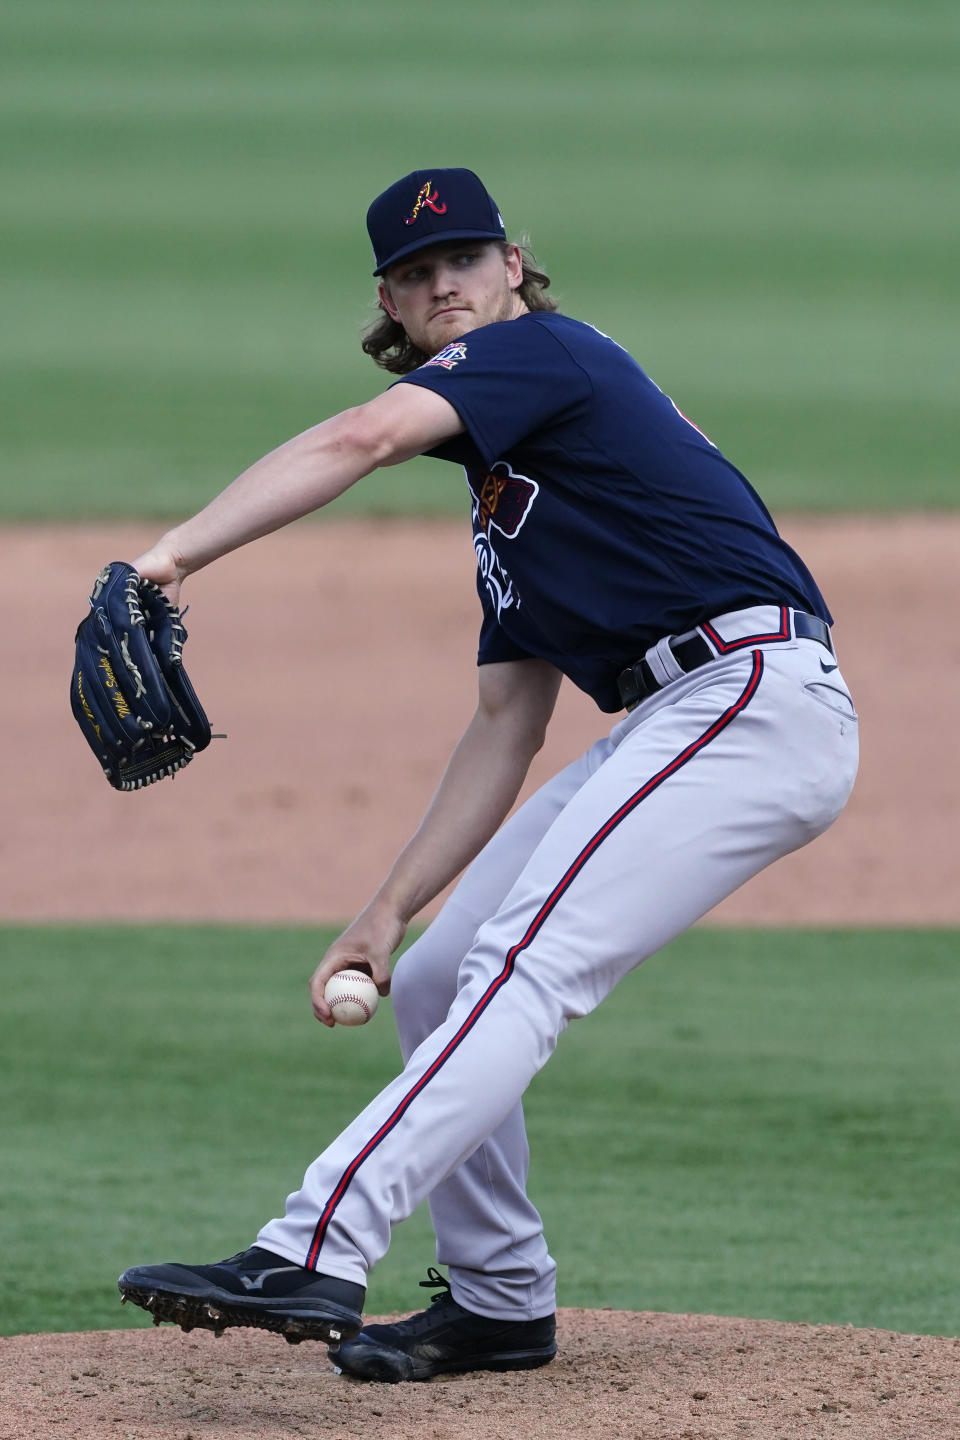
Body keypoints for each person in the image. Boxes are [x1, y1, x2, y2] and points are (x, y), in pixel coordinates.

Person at [118, 167, 859, 1382]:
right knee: (444, 974)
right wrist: (387, 909)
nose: (441, 283)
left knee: (526, 963)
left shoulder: (543, 359)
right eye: (414, 275)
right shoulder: (509, 496)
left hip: (749, 700)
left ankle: (315, 1241)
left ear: (512, 268)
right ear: (391, 309)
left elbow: (361, 435)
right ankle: (500, 1298)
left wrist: (167, 560)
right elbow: (504, 727)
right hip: (699, 709)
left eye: (462, 259)